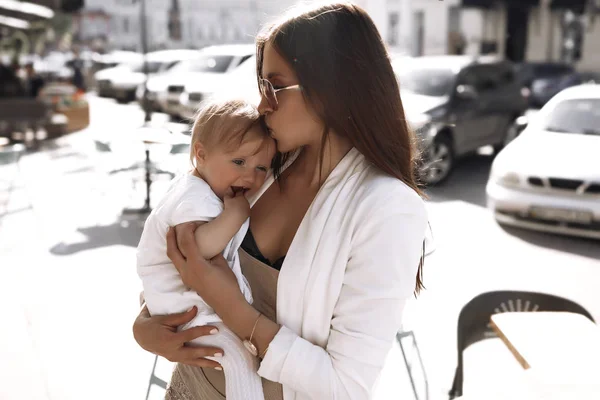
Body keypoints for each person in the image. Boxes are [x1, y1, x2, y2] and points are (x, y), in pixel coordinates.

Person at [133, 3, 429, 399]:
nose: (261, 105)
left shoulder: (388, 209)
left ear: (332, 87)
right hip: (186, 389)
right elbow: (178, 259)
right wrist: (145, 327)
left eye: (274, 87)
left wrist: (234, 309)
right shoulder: (259, 169)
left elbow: (346, 387)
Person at [136, 99, 276, 400]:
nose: (250, 177)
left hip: (181, 305)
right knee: (238, 361)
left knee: (236, 358)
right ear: (201, 154)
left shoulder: (201, 189)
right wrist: (236, 215)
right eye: (239, 162)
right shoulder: (196, 197)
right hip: (185, 311)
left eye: (261, 167)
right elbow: (196, 250)